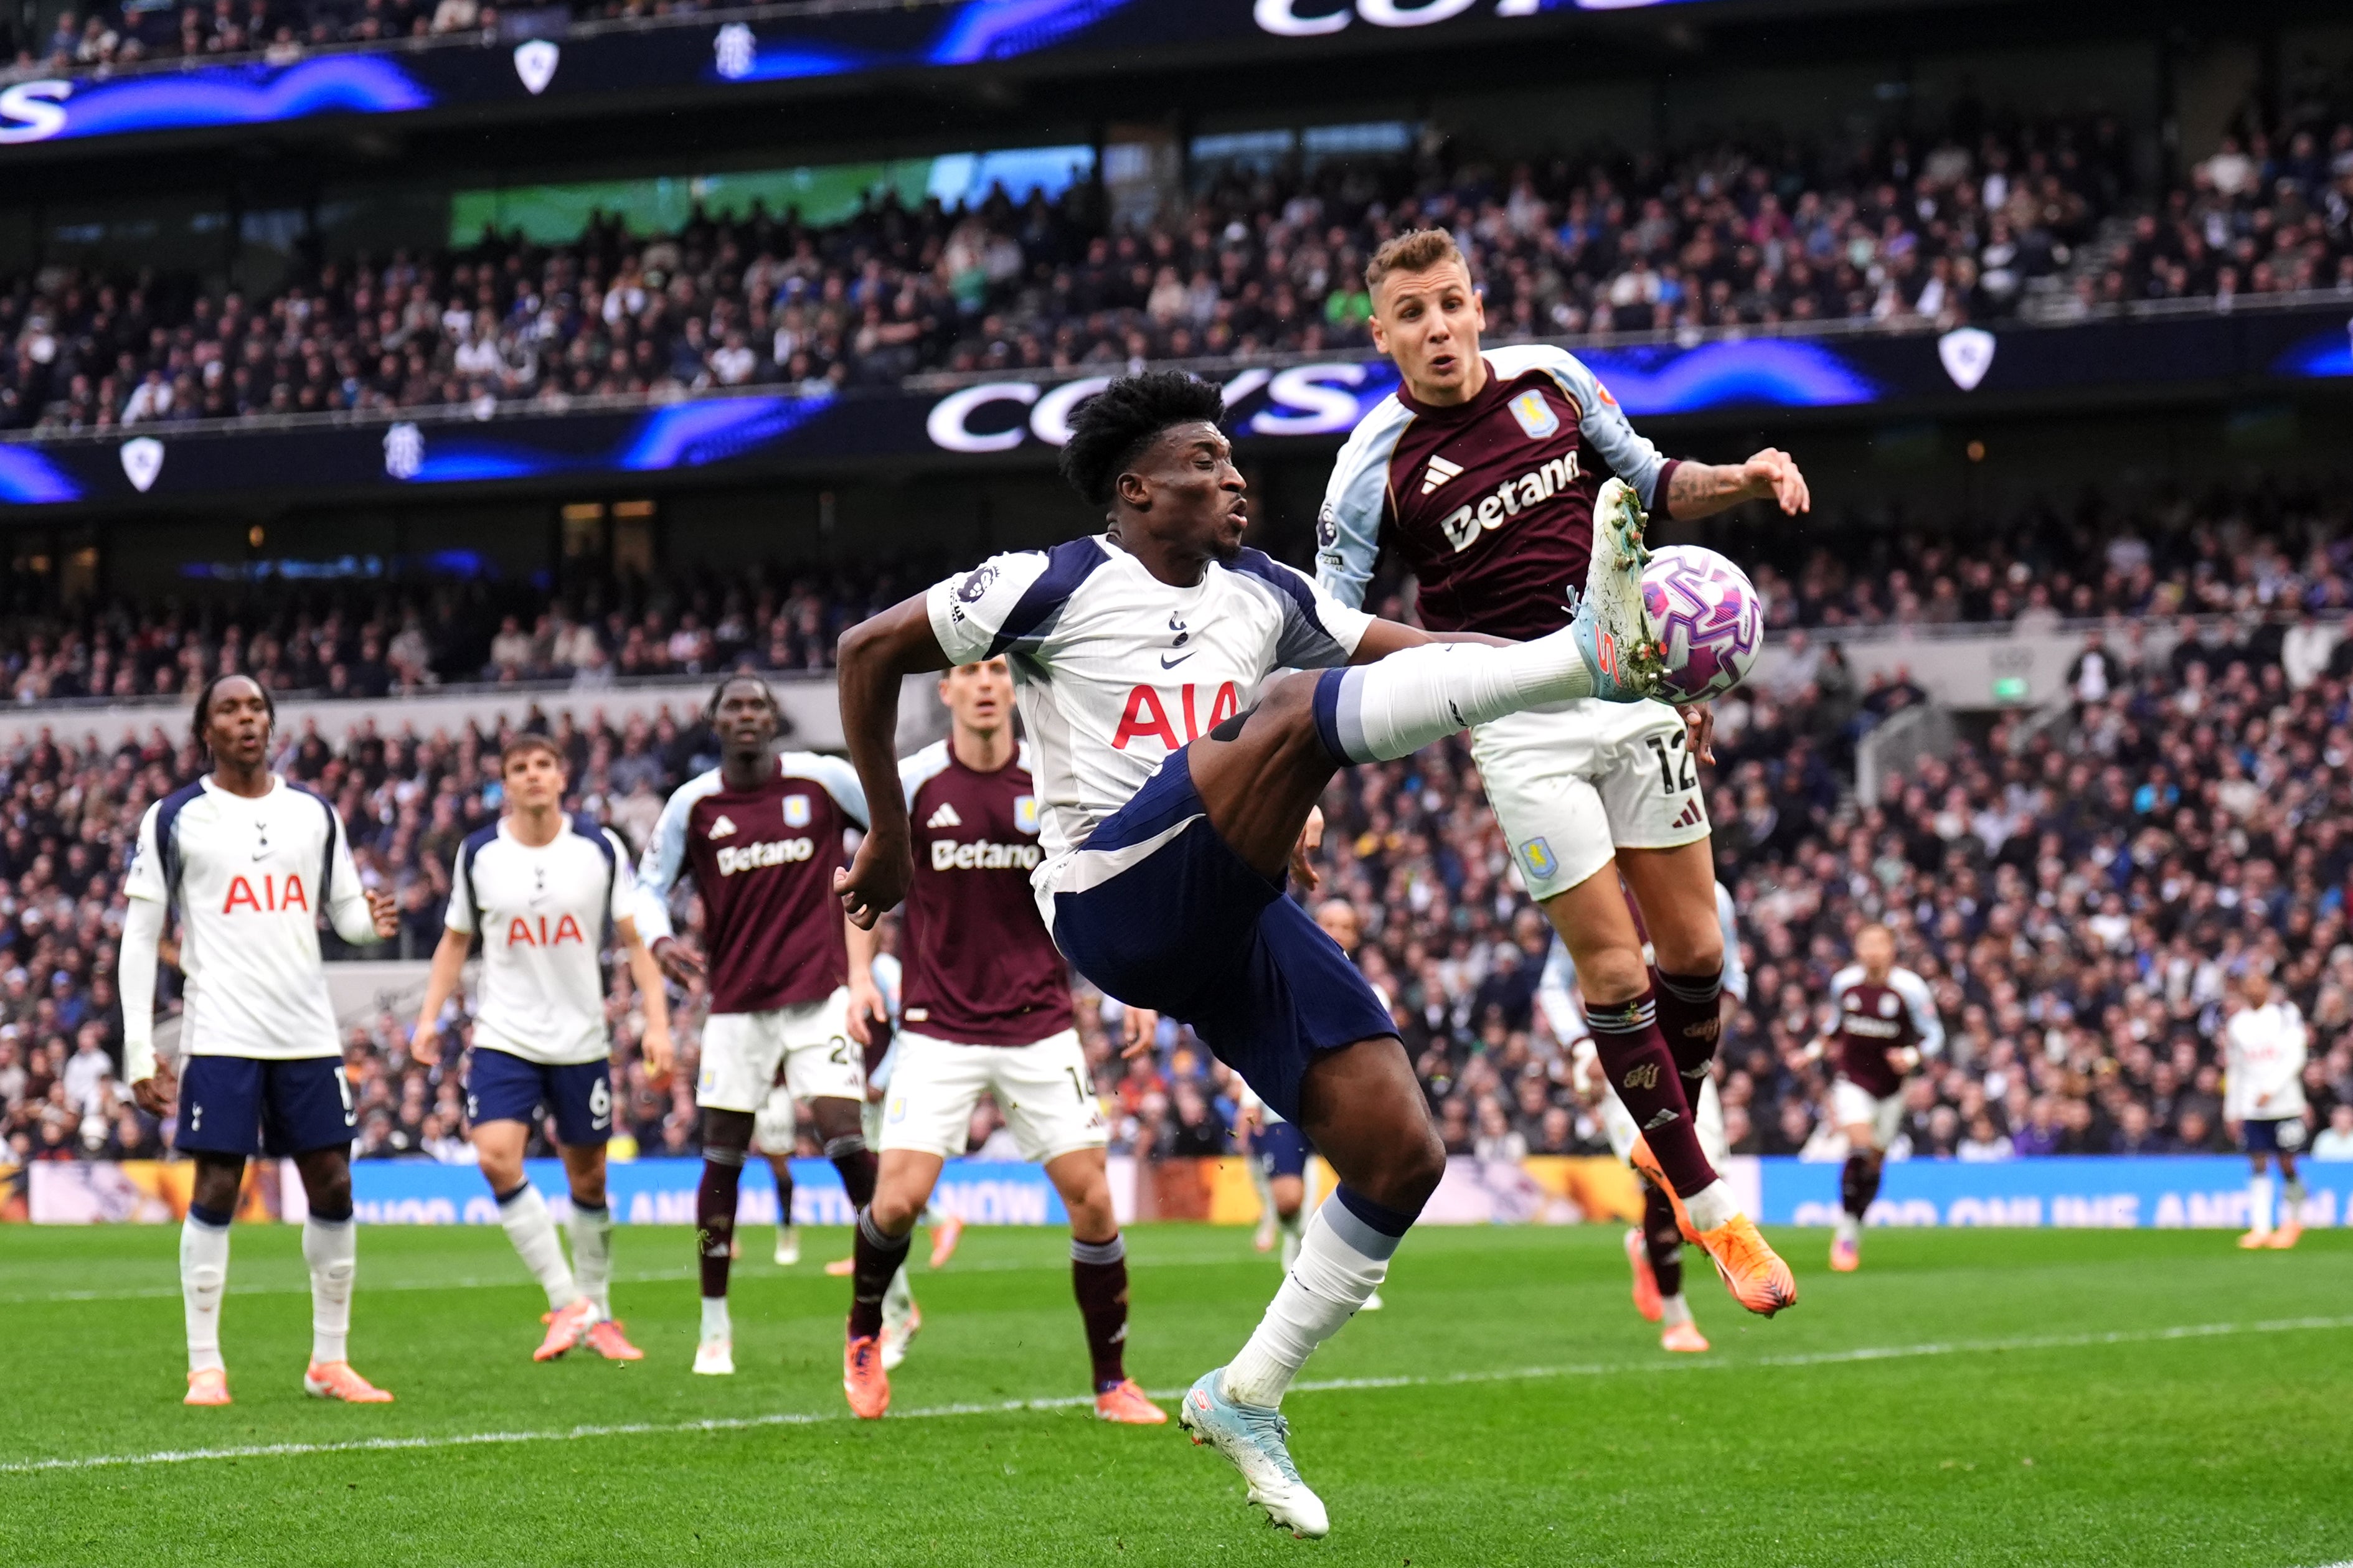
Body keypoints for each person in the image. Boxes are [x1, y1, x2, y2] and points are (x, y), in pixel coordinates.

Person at [833, 369, 1668, 1537]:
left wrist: (1595, 676)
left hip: (1225, 910)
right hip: (1108, 897)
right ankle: (1587, 655)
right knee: (1293, 711)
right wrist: (886, 827)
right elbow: (867, 648)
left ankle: (1245, 1392)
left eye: (1233, 462)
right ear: (1135, 490)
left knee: (1399, 1153)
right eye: (1204, 463)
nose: (1233, 479)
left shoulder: (1263, 593)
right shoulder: (1053, 580)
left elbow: (1425, 651)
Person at [1313, 227, 1800, 1315]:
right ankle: (1703, 1198)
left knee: (1696, 949)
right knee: (1615, 973)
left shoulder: (1553, 380)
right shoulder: (1371, 463)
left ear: (1476, 305)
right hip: (1515, 722)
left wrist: (1747, 477)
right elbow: (1324, 619)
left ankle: (1659, 1143)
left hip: (1628, 685)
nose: (1435, 326)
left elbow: (1652, 479)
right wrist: (1364, 730)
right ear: (1381, 332)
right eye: (1410, 313)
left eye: (1449, 303)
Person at [837, 653, 1162, 1423]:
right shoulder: (912, 780)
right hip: (936, 1027)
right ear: (945, 690)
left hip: (1038, 1025)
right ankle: (862, 1332)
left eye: (996, 670)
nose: (984, 683)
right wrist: (857, 976)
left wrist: (1130, 983)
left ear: (1013, 686)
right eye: (968, 672)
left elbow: (1102, 885)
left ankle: (1111, 1381)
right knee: (897, 1202)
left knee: (1093, 1205)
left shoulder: (1054, 779)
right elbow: (861, 875)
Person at [118, 674, 400, 1407]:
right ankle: (205, 1363)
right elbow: (141, 935)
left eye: (255, 708)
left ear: (270, 723)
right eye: (229, 709)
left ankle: (329, 1361)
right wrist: (137, 1049)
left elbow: (345, 913)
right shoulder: (175, 817)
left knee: (334, 1182)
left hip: (306, 1031)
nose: (246, 718)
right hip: (220, 1030)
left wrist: (372, 920)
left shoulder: (313, 812)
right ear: (204, 729)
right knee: (217, 1184)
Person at [634, 674, 888, 1376]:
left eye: (755, 705)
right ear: (715, 722)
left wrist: (881, 890)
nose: (745, 715)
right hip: (736, 1009)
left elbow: (892, 824)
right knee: (721, 1158)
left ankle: (888, 1307)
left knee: (844, 1142)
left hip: (818, 997)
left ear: (772, 718)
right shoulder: (694, 803)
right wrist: (658, 941)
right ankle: (714, 1326)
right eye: (732, 707)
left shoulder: (823, 780)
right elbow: (646, 888)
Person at [410, 734, 674, 1363]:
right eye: (519, 767)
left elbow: (635, 941)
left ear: (562, 777)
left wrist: (657, 1023)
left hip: (580, 1039)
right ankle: (567, 1300)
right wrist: (428, 1016)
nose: (532, 775)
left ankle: (600, 1312)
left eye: (543, 765)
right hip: (505, 1035)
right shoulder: (479, 853)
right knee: (496, 1157)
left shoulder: (599, 847)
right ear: (505, 782)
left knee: (589, 1175)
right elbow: (454, 940)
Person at [1540, 880, 1747, 1353]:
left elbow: (1732, 978)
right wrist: (1581, 1049)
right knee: (1663, 1177)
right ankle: (1677, 1318)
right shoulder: (1587, 888)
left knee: (1705, 1180)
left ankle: (1646, 1246)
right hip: (1626, 1059)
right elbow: (1553, 983)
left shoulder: (1710, 893)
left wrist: (1706, 1034)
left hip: (1688, 1061)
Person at [1237, 896, 1387, 1306]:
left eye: (1345, 926)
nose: (1336, 932)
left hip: (1343, 1107)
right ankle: (1295, 1241)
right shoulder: (1281, 980)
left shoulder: (1371, 992)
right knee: (1287, 1199)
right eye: (1328, 923)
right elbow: (1259, 1040)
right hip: (1283, 1103)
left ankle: (1353, 1280)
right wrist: (1247, 1096)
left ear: (1355, 936)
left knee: (1365, 1194)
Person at [1810, 923, 1942, 1272]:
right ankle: (1846, 1235)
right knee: (1861, 1147)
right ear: (1857, 948)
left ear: (1891, 950)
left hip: (1892, 1089)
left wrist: (1911, 1057)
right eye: (1865, 944)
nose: (1872, 952)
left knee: (1873, 1165)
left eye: (1879, 945)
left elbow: (1934, 1036)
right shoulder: (1844, 983)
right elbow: (1836, 1024)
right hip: (1852, 1080)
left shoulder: (1910, 988)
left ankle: (1853, 1225)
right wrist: (1812, 1051)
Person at [2223, 969, 2309, 1249]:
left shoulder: (2286, 1014)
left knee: (2287, 1162)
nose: (2254, 989)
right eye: (2248, 985)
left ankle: (2292, 1222)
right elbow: (2235, 1068)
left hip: (2284, 1103)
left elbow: (2296, 1055)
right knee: (2257, 1163)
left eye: (2259, 984)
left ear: (2268, 987)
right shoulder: (2238, 1023)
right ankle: (2260, 1227)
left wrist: (2271, 1088)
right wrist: (2232, 1110)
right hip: (2252, 1108)